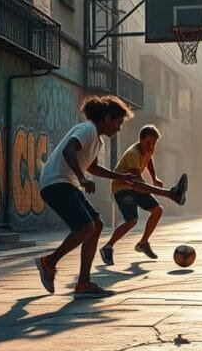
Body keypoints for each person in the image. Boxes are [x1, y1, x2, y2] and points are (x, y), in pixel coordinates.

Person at [34, 95, 141, 299]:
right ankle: (49, 262)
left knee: (96, 225)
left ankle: (83, 283)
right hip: (56, 184)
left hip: (66, 184)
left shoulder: (97, 141)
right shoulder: (88, 129)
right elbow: (69, 150)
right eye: (118, 123)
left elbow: (94, 168)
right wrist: (82, 178)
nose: (119, 129)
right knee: (86, 228)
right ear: (107, 118)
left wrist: (121, 177)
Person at [100, 125, 188, 265]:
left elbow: (149, 159)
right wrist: (165, 193)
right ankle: (107, 247)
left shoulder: (148, 149)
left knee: (157, 210)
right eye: (148, 143)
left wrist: (154, 177)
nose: (151, 146)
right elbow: (138, 184)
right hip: (122, 188)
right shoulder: (133, 153)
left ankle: (143, 243)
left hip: (134, 185)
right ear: (140, 140)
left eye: (154, 143)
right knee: (132, 220)